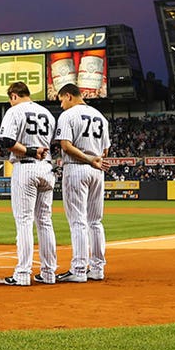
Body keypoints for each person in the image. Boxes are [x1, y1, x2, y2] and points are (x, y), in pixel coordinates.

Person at [0, 81, 57, 286]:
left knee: (24, 221)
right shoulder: (47, 113)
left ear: (14, 95)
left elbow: (5, 140)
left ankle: (22, 273)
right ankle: (49, 273)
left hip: (26, 167)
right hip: (46, 168)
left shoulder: (14, 111)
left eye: (10, 99)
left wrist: (30, 150)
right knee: (45, 222)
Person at [54, 83, 110, 282]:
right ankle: (97, 269)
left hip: (77, 168)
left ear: (69, 96)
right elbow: (105, 151)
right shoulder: (100, 117)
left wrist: (87, 158)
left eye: (61, 100)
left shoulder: (68, 115)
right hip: (97, 170)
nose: (61, 105)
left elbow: (66, 146)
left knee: (78, 221)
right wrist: (93, 159)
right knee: (95, 221)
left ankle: (78, 269)